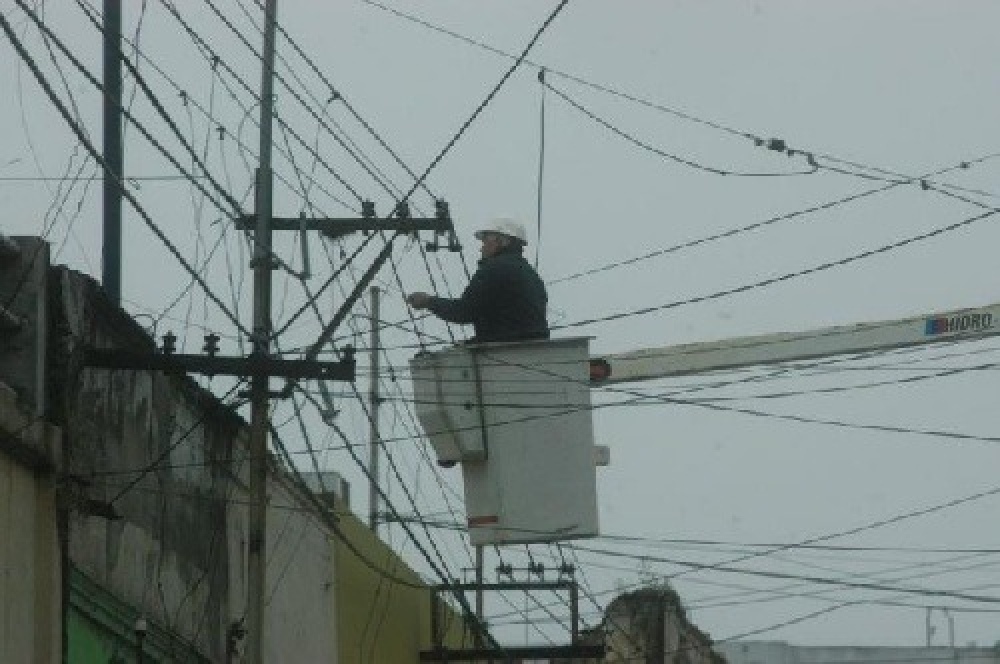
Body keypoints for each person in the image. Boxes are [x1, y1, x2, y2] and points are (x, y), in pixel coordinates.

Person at [406, 218, 549, 344]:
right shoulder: (530, 273)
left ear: (503, 241)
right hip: (536, 349)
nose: (482, 248)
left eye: (486, 240)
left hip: (504, 353)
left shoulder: (494, 269)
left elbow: (463, 311)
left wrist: (428, 301)